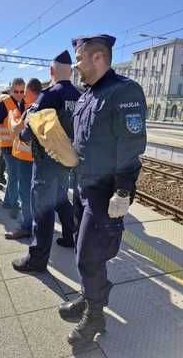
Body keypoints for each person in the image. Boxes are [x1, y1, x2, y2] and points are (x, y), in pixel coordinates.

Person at [58, 35, 147, 346]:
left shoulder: (124, 91)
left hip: (105, 191)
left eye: (80, 59)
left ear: (98, 58)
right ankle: (89, 296)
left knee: (88, 255)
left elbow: (130, 145)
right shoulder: (87, 96)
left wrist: (123, 192)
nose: (77, 66)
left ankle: (95, 316)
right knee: (88, 254)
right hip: (82, 185)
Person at [12, 50, 80, 273]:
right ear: (70, 71)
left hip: (46, 163)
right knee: (61, 199)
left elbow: (29, 131)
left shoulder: (49, 95)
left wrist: (20, 134)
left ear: (52, 71)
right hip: (67, 161)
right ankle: (70, 236)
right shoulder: (79, 95)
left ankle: (37, 259)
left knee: (43, 210)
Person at [5, 78, 42, 240]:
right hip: (40, 159)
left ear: (29, 93)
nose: (22, 96)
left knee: (26, 193)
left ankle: (28, 226)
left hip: (27, 159)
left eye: (24, 93)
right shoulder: (46, 107)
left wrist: (14, 119)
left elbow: (16, 131)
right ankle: (38, 224)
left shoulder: (31, 110)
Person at [0, 78, 25, 219]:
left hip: (19, 147)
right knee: (14, 175)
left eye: (22, 91)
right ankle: (13, 204)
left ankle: (7, 202)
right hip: (6, 146)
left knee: (14, 175)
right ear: (11, 90)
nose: (19, 94)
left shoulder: (25, 103)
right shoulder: (4, 104)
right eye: (16, 91)